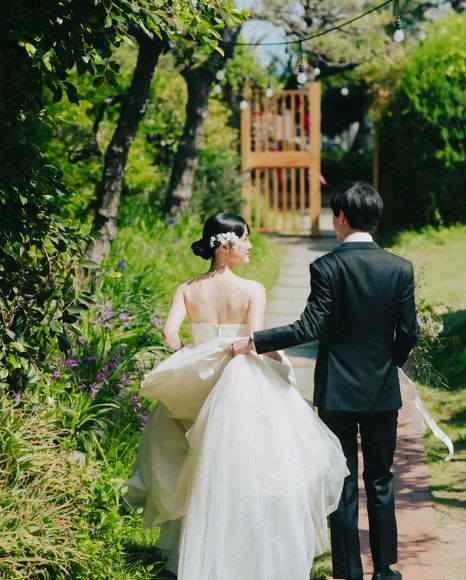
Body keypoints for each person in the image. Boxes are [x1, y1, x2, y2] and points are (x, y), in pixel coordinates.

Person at [124, 212, 349, 580]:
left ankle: (200, 551)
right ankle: (248, 550)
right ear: (225, 247)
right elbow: (255, 340)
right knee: (247, 468)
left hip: (200, 382)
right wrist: (283, 366)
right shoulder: (252, 289)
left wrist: (191, 358)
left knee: (199, 466)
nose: (250, 246)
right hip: (240, 381)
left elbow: (169, 334)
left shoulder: (186, 289)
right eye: (245, 239)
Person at [233, 182, 420, 580]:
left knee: (342, 480)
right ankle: (385, 569)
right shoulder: (400, 268)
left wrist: (256, 341)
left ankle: (349, 571)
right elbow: (409, 332)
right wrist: (390, 364)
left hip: (336, 392)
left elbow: (308, 327)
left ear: (342, 217)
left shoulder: (326, 267)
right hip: (381, 392)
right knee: (381, 478)